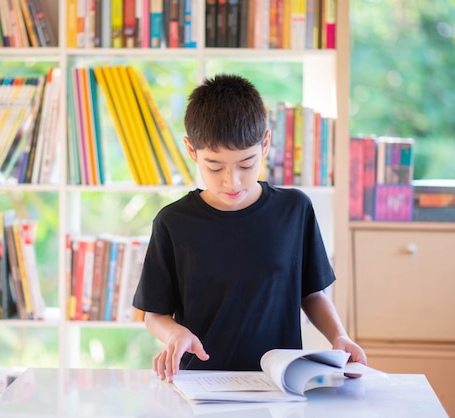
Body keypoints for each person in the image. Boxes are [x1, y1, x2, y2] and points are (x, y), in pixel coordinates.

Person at [132, 74, 366, 382]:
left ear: (265, 143)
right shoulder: (173, 222)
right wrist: (175, 334)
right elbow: (155, 313)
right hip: (202, 385)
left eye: (246, 164)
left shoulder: (294, 210)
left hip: (279, 383)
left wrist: (339, 336)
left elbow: (311, 293)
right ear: (192, 151)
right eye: (215, 167)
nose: (233, 181)